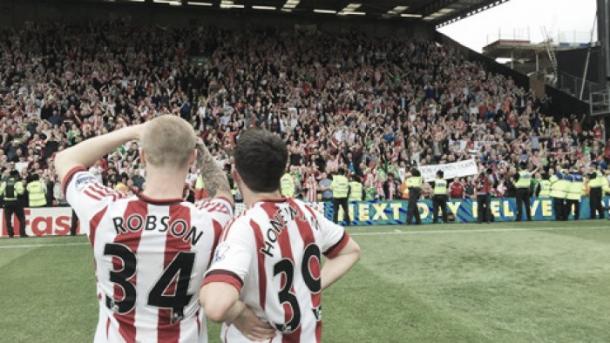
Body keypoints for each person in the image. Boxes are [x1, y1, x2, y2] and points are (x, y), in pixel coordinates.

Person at [54, 115, 264, 342]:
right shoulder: (212, 220)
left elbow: (66, 158)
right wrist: (200, 148)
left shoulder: (103, 210)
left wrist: (134, 131)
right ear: (192, 158)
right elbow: (222, 193)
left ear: (142, 156)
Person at [199, 128, 361, 342]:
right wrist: (309, 286)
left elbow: (216, 305)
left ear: (236, 175)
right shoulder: (307, 212)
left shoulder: (243, 227)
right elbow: (350, 251)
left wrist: (238, 313)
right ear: (283, 171)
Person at [0, 170, 27, 238]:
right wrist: (23, 186)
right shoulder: (17, 182)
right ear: (16, 175)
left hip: (7, 202)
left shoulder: (5, 182)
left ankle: (10, 234)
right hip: (16, 202)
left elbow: (0, 192)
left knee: (8, 220)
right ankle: (22, 233)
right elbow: (20, 192)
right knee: (21, 218)